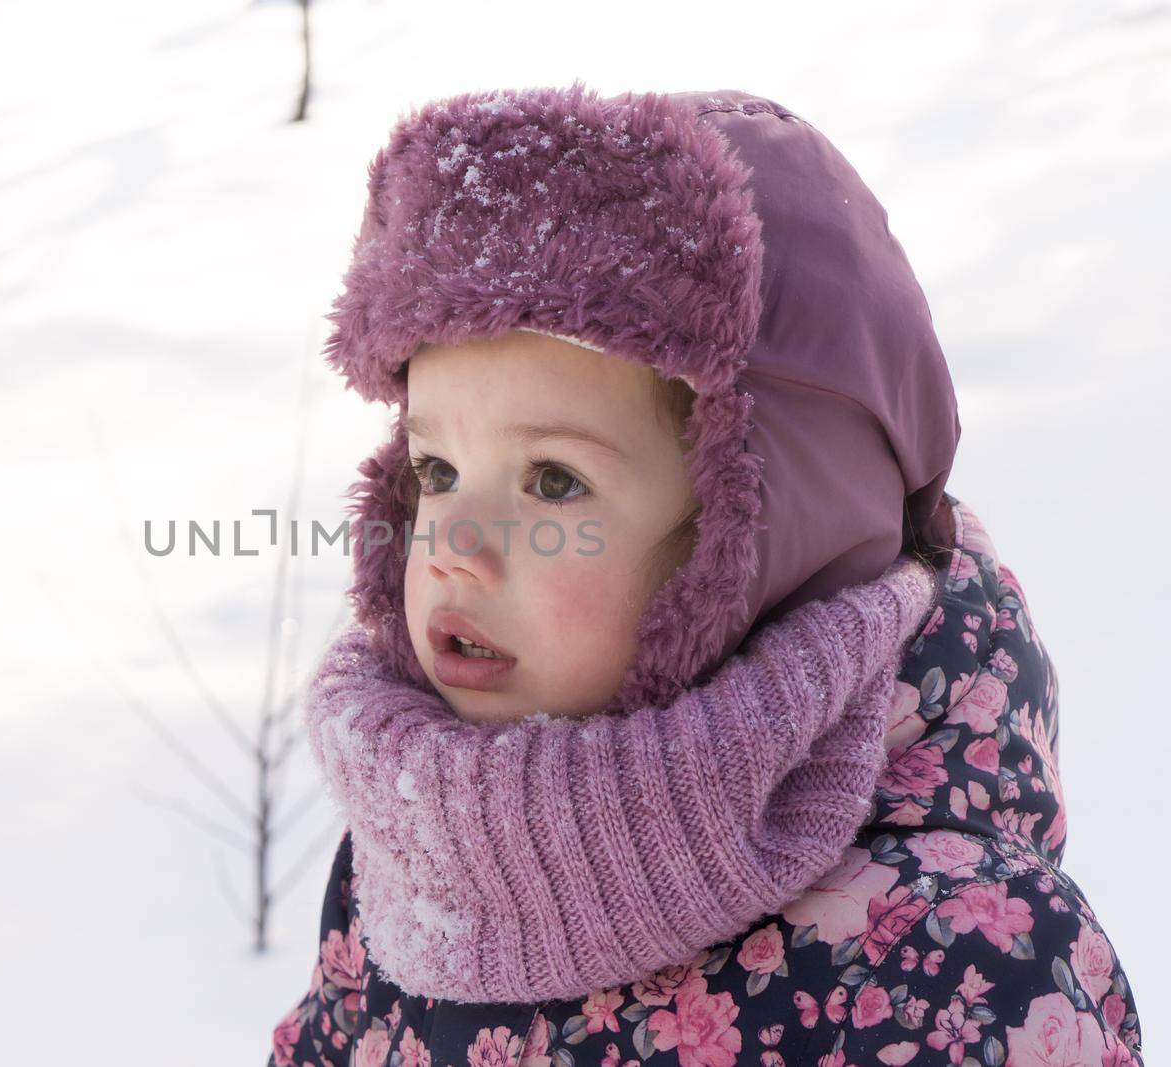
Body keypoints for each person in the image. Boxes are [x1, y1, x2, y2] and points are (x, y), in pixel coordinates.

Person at [266, 84, 1143, 1067]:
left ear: (765, 537)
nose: (451, 545)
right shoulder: (420, 849)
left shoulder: (957, 962)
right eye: (435, 469)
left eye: (553, 481)